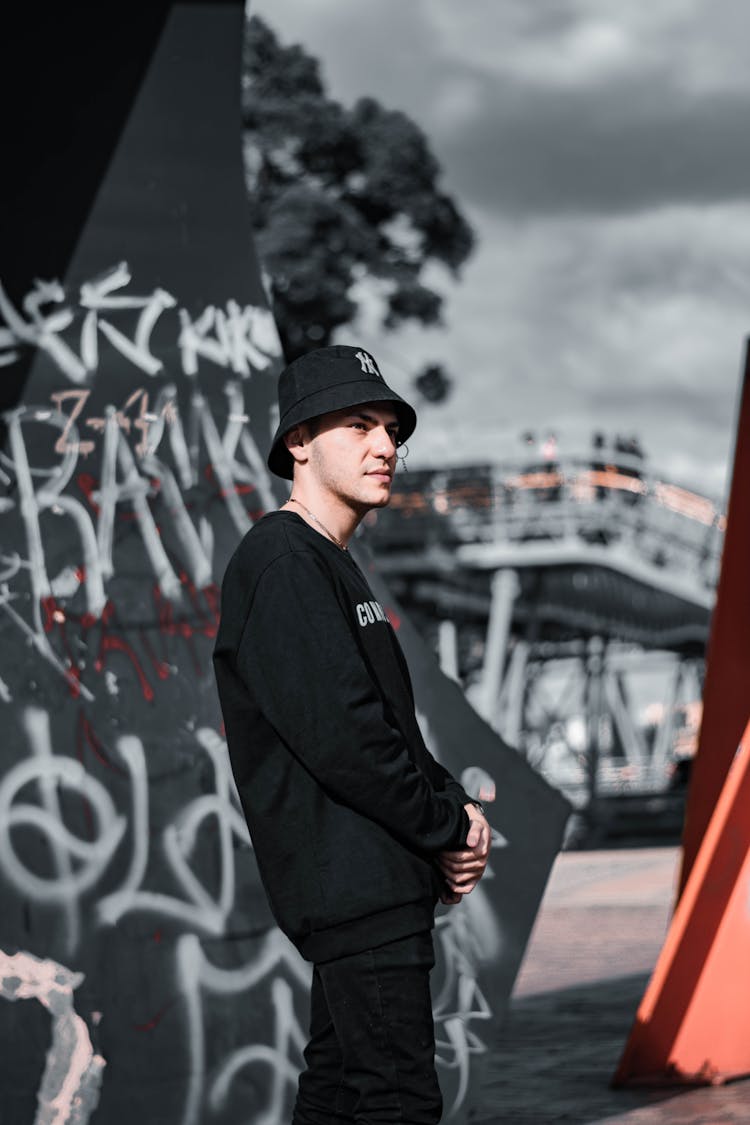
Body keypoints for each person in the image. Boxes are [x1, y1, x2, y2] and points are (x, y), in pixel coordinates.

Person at [213, 344, 491, 1124]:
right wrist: (444, 826)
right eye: (361, 424)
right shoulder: (282, 563)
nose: (386, 446)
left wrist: (455, 808)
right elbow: (348, 740)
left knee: (340, 1098)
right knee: (395, 1101)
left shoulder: (327, 563)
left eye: (393, 430)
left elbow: (383, 722)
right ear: (298, 440)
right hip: (355, 889)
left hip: (368, 887)